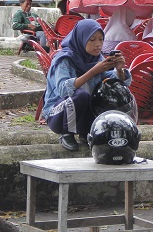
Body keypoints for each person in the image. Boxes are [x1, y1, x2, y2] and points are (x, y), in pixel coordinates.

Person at [40, 19, 131, 152]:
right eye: (92, 40)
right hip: (58, 114)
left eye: (101, 39)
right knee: (80, 95)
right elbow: (63, 90)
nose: (98, 44)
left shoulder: (96, 58)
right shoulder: (64, 59)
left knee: (113, 89)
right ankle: (66, 133)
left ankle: (88, 132)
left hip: (84, 113)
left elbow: (110, 77)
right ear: (81, 39)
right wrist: (93, 71)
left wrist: (119, 70)